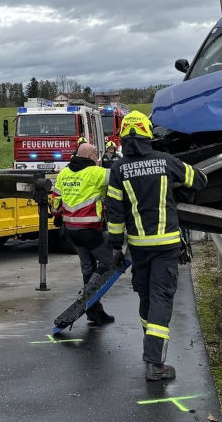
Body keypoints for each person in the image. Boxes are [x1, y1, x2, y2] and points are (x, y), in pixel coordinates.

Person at [105, 110, 203, 381]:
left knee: (147, 297)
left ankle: (152, 349)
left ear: (123, 137)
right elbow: (198, 179)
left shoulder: (118, 169)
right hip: (166, 245)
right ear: (147, 134)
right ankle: (154, 362)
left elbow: (115, 212)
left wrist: (115, 247)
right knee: (161, 297)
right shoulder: (165, 161)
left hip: (139, 247)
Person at [49, 142, 115, 325]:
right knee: (109, 263)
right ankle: (87, 295)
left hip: (71, 230)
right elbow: (119, 177)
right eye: (96, 155)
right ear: (90, 156)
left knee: (87, 268)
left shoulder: (64, 173)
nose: (98, 159)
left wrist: (57, 216)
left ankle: (94, 311)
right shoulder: (95, 172)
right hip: (91, 229)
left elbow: (55, 201)